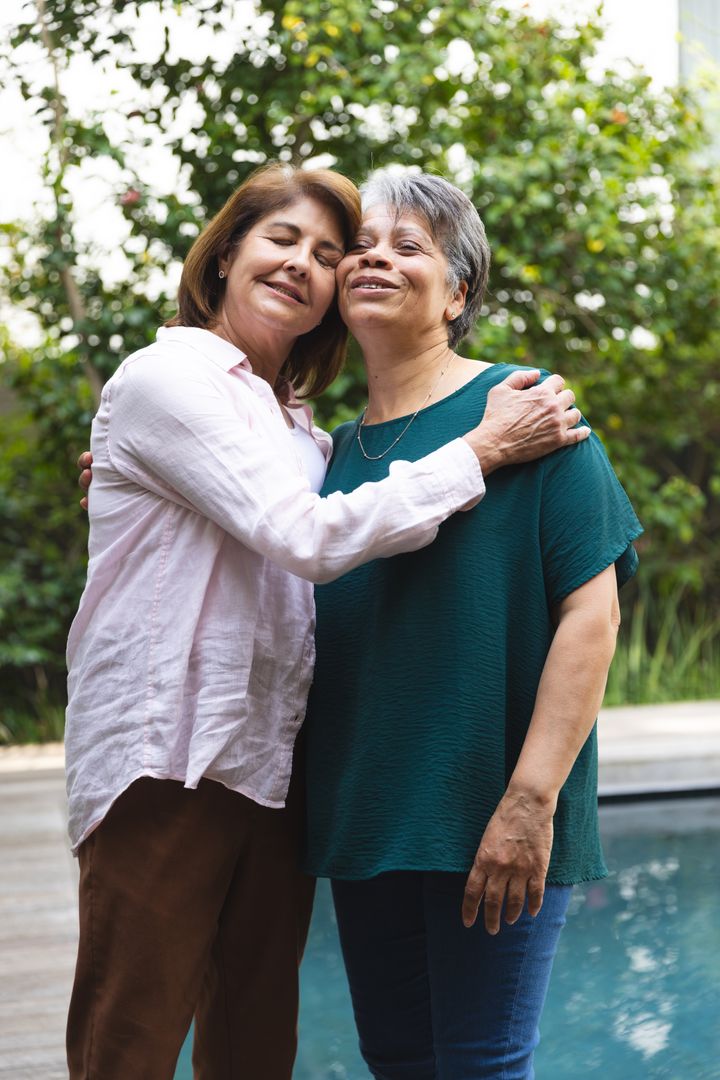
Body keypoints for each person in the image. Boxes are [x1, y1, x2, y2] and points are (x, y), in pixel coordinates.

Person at [67, 162, 587, 1080]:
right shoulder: (167, 376)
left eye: (324, 251)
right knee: (131, 1045)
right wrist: (481, 449)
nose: (306, 265)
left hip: (274, 774)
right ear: (224, 254)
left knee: (256, 1042)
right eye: (282, 241)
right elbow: (303, 535)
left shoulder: (307, 437)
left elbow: (583, 604)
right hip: (170, 755)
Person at [302, 171, 643, 1079]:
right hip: (368, 813)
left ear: (458, 293)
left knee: (483, 1065)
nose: (376, 256)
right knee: (398, 1062)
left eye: (409, 246)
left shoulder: (529, 416)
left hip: (497, 810)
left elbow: (591, 613)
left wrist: (531, 803)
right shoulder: (320, 455)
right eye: (361, 245)